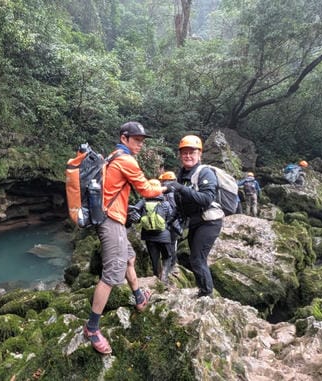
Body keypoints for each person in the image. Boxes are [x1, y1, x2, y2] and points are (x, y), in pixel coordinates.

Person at [83, 121, 166, 355]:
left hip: (110, 217)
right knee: (111, 274)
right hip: (111, 221)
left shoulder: (113, 156)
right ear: (124, 138)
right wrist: (166, 188)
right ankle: (92, 328)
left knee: (129, 257)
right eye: (136, 140)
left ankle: (139, 296)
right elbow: (147, 191)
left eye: (141, 140)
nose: (140, 144)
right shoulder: (127, 160)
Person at [163, 135, 222, 298]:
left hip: (210, 221)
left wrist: (181, 188)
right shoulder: (182, 174)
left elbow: (206, 198)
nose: (188, 156)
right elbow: (182, 203)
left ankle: (207, 294)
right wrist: (171, 219)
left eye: (192, 152)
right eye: (184, 153)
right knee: (194, 258)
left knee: (197, 258)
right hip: (196, 221)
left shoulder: (205, 173)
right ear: (180, 155)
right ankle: (204, 290)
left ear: (199, 154)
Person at [131, 179, 177, 283]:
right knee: (167, 256)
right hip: (164, 236)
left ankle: (156, 277)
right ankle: (164, 277)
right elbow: (171, 218)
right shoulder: (165, 203)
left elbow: (134, 215)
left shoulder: (143, 202)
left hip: (148, 236)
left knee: (154, 258)